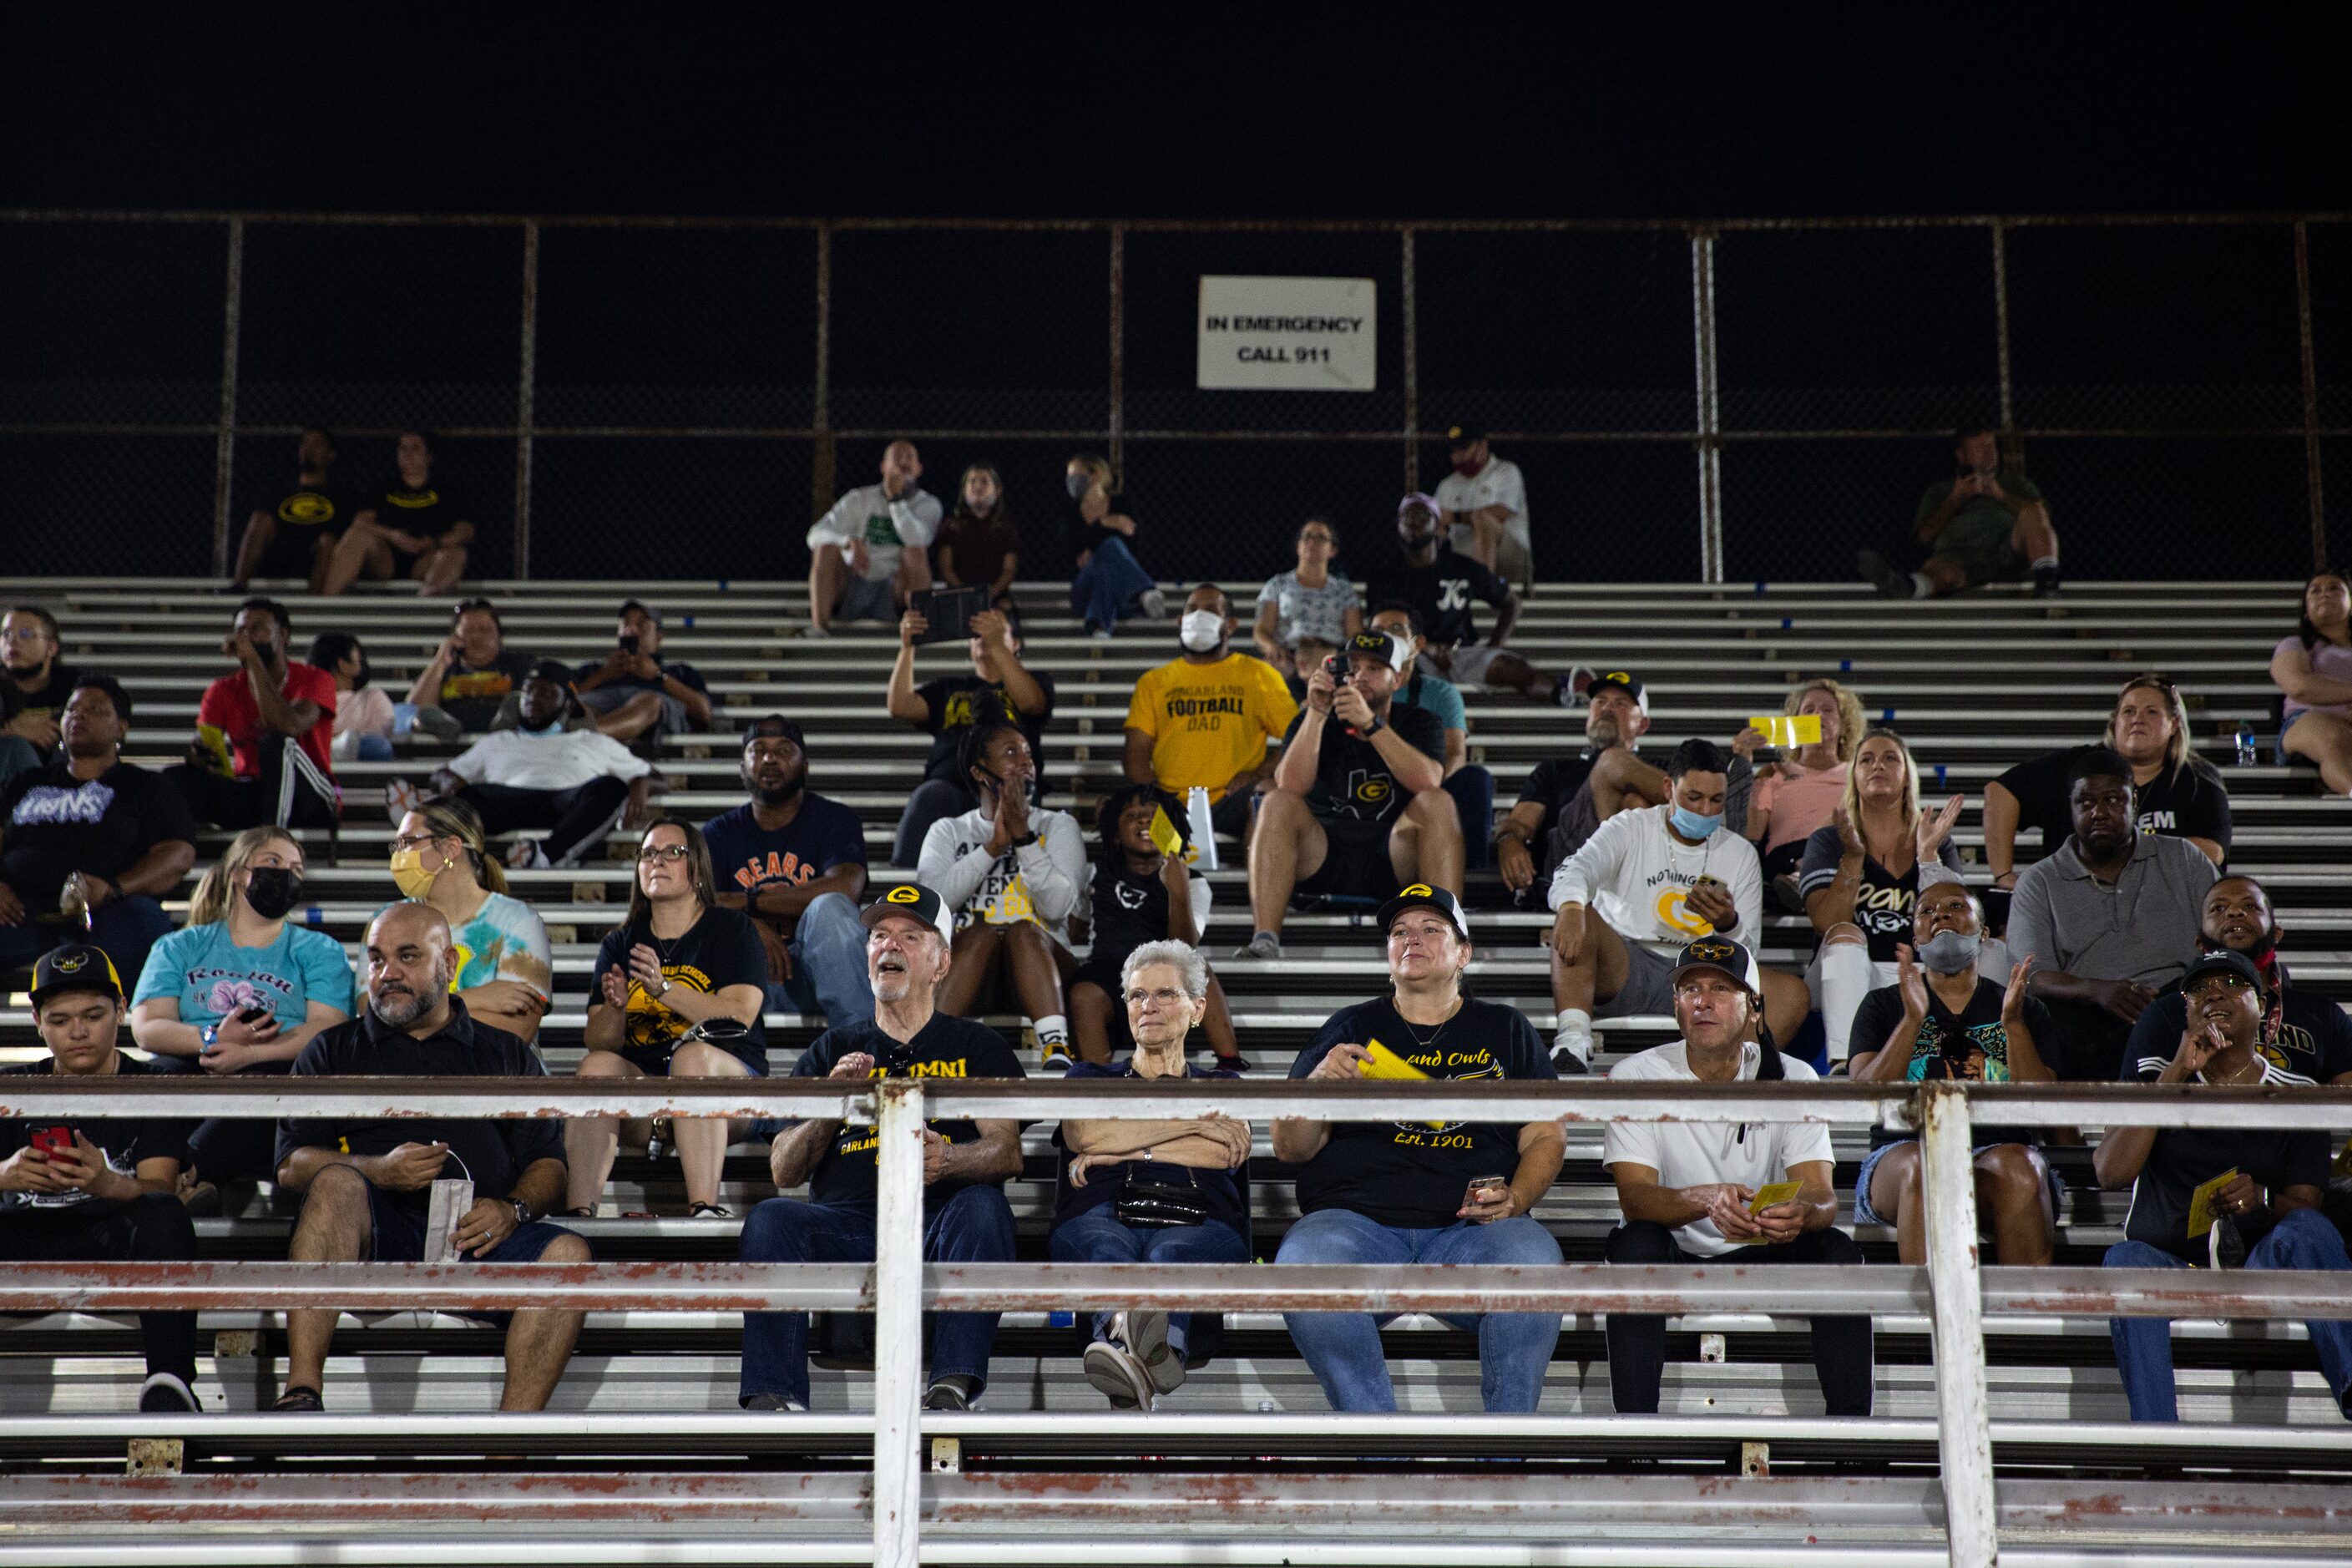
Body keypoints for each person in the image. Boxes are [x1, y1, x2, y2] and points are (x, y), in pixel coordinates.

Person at [273, 902, 589, 1413]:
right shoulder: (331, 1051)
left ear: (450, 966)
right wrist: (377, 1171)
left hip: (478, 1237)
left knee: (570, 1255)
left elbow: (550, 1167)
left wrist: (512, 1210)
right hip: (377, 1233)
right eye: (376, 960)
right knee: (334, 1184)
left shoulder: (507, 1053)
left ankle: (506, 1449)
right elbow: (291, 1165)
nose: (387, 974)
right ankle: (303, 1392)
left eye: (408, 957)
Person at [1273, 885, 1564, 1413]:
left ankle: (1504, 1459)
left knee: (1536, 1266)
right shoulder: (1351, 1026)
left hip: (1472, 1230)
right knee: (1303, 1266)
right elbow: (1289, 1148)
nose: (1413, 940)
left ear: (1464, 953)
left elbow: (1546, 1135)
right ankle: (1379, 1448)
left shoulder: (1505, 1028)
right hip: (1353, 1226)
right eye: (1400, 931)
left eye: (1433, 930)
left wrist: (1517, 1199)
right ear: (1388, 954)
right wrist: (1317, 1086)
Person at [738, 883, 1024, 1414]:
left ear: (941, 963)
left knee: (986, 1207)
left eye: (910, 936)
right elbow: (783, 1169)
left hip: (939, 1220)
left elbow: (1006, 1152)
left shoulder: (977, 1046)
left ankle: (951, 1388)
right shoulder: (830, 1050)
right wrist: (832, 1106)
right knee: (771, 1219)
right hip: (847, 1221)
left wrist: (951, 1160)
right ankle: (775, 1399)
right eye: (878, 936)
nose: (888, 946)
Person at [1601, 937, 1873, 1416]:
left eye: (1721, 990)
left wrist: (1797, 1215)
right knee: (1633, 1245)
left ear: (1753, 1008)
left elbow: (1824, 1200)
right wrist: (1705, 1199)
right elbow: (1636, 1201)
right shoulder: (1636, 1075)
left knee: (1839, 1252)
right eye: (1690, 990)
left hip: (1763, 1246)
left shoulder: (1792, 1078)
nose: (1703, 1002)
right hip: (1677, 1246)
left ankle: (1854, 1444)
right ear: (1676, 1006)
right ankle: (1634, 1439)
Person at [2096, 948, 2352, 1423]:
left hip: (2259, 1260)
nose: (2214, 993)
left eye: (2233, 985)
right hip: (2172, 1262)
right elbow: (2110, 1172)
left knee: (2308, 1229)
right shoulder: (2154, 1084)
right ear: (2185, 1011)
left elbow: (2307, 1204)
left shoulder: (2297, 1096)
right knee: (2123, 1260)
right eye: (2199, 989)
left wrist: (2263, 1198)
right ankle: (2158, 1441)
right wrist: (2174, 1073)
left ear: (2265, 1011)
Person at [0, 946, 202, 1412]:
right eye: (59, 1019)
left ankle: (171, 1386)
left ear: (122, 1009)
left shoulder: (154, 1086)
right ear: (37, 1021)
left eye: (93, 1015)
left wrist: (106, 1183)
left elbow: (159, 1191)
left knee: (163, 1214)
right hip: (23, 1240)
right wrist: (7, 1175)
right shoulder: (12, 1087)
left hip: (109, 1240)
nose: (77, 1032)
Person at [1053, 938, 1251, 1409]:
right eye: (1138, 995)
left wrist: (1121, 1144)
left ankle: (1121, 1349)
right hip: (1100, 1212)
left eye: (1166, 994)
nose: (1149, 1006)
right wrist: (1193, 1125)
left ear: (1198, 1009)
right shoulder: (1087, 1078)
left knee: (1172, 1251)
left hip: (1203, 1220)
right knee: (1108, 1248)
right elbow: (1083, 1135)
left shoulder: (1226, 1086)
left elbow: (1226, 1153)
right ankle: (1155, 1353)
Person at [1549, 739, 1806, 1073]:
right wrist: (1570, 908)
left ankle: (1738, 1070)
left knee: (1793, 994)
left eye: (1717, 801)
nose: (1704, 810)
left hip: (1703, 969)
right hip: (1629, 962)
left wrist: (1729, 923)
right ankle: (1573, 1041)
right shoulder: (1632, 826)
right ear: (1669, 788)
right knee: (1578, 911)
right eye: (1694, 798)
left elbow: (1749, 955)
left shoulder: (1740, 853)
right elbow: (1576, 868)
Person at [130, 827, 354, 1191]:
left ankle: (185, 1179)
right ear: (237, 873)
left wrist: (250, 1054)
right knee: (154, 1080)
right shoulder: (180, 945)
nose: (286, 875)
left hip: (276, 1065)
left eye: (296, 869)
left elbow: (326, 1029)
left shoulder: (320, 950)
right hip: (194, 1060)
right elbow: (148, 1027)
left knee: (270, 1088)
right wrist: (213, 1038)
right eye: (273, 862)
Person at [1848, 883, 2058, 1264]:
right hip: (1901, 1153)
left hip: (1997, 1149)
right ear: (1915, 936)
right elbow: (1865, 1095)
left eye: (1956, 906)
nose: (1940, 915)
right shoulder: (1882, 1005)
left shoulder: (2023, 1008)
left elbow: (2042, 1103)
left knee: (2020, 1167)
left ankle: (2024, 1321)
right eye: (1927, 911)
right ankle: (1929, 1321)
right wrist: (1912, 1022)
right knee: (1923, 1164)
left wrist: (2012, 1025)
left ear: (1983, 932)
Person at [569, 818, 768, 1218]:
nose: (657, 861)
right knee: (597, 1066)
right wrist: (616, 1007)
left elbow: (740, 1015)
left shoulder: (731, 930)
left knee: (693, 1057)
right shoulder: (620, 942)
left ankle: (705, 1207)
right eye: (647, 854)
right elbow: (600, 1042)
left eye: (672, 852)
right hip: (652, 1102)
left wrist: (664, 990)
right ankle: (577, 1214)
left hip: (727, 1095)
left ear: (697, 869)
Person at [1239, 630, 1457, 959]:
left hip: (1393, 854)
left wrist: (1371, 725)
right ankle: (1266, 938)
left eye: (1374, 669)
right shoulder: (1312, 718)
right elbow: (1290, 785)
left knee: (1439, 803)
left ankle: (1446, 938)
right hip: (1323, 851)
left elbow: (1429, 781)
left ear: (1396, 680)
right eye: (1353, 668)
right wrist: (1316, 712)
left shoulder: (1420, 721)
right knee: (1277, 802)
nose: (1361, 677)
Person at [2009, 748, 2217, 1081]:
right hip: (2087, 1019)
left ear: (2134, 801)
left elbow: (2220, 942)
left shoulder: (2183, 858)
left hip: (2174, 1006)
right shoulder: (2040, 880)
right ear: (2071, 806)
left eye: (2112, 800)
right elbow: (2034, 976)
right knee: (2042, 1016)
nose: (2099, 812)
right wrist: (2101, 991)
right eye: (2086, 803)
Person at [0, 675, 195, 993]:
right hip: (21, 912)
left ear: (121, 727)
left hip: (110, 912)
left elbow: (177, 854)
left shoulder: (145, 786)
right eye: (72, 709)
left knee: (145, 923)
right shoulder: (26, 782)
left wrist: (113, 889)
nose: (79, 715)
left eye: (95, 710)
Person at [917, 721, 1085, 1070]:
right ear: (979, 771)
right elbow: (933, 905)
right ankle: (926, 1049)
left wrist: (1023, 838)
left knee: (1023, 930)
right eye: (1011, 753)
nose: (1025, 761)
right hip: (970, 971)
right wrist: (992, 848)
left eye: (1027, 752)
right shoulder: (948, 831)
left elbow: (1056, 907)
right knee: (981, 934)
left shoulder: (1058, 826)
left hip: (1046, 969)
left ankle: (1055, 1045)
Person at [1800, 729, 1966, 1065]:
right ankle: (1846, 1066)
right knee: (1845, 935)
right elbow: (1827, 923)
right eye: (1867, 759)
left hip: (1916, 972)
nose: (1878, 765)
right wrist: (1852, 858)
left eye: (1891, 758)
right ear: (1854, 777)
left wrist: (1929, 856)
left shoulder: (1936, 839)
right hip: (1842, 974)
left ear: (1907, 777)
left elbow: (1955, 928)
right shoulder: (1827, 840)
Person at [701, 716, 874, 1029]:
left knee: (830, 907)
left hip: (821, 972)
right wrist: (751, 924)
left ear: (805, 766)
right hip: (748, 979)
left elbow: (845, 888)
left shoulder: (835, 819)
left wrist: (748, 903)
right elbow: (702, 903)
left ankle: (864, 1045)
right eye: (758, 750)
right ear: (742, 768)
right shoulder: (718, 833)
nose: (769, 758)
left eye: (783, 750)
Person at [1984, 675, 2232, 886]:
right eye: (2129, 711)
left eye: (2152, 711)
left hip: (2164, 905)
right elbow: (2000, 792)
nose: (2138, 719)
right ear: (2115, 722)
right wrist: (2004, 875)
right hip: (2073, 903)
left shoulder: (2198, 778)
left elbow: (2212, 852)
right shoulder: (2078, 766)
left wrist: (2123, 859)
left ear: (2174, 724)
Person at [1067, 784, 1243, 1069]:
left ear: (1172, 828)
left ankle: (1230, 1060)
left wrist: (1177, 890)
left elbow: (1184, 945)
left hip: (1162, 971)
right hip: (1107, 969)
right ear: (1115, 832)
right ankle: (1096, 1081)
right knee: (1083, 994)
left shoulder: (1193, 881)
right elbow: (1074, 927)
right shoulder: (1095, 873)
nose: (1144, 820)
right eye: (1132, 815)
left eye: (1153, 815)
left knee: (1198, 966)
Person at [418, 661, 653, 869]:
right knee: (466, 796)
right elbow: (443, 774)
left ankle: (546, 855)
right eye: (529, 690)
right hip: (505, 804)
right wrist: (447, 780)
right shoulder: (498, 741)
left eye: (547, 693)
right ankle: (420, 818)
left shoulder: (592, 741)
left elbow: (645, 773)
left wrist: (639, 785)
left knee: (611, 787)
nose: (533, 698)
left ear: (568, 705)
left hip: (567, 805)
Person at [2123, 875, 2352, 1087]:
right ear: (2198, 940)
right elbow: (2129, 1116)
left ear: (2277, 934)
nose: (2234, 912)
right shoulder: (2164, 1013)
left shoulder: (2324, 1016)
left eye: (2250, 906)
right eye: (2218, 908)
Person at [1124, 584, 1297, 842]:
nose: (1198, 616)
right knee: (1135, 810)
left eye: (1210, 610)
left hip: (1233, 797)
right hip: (1172, 800)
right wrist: (1156, 794)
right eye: (1192, 610)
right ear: (1180, 621)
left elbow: (1296, 735)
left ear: (1231, 625)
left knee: (1269, 796)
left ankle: (1260, 881)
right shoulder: (1154, 682)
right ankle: (1171, 880)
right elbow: (1135, 752)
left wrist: (1260, 773)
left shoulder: (1258, 674)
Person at [888, 603, 1054, 867]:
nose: (984, 638)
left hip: (1009, 789)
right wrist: (908, 647)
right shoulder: (949, 688)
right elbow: (900, 706)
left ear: (1017, 643)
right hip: (948, 790)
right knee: (929, 794)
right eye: (977, 634)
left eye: (996, 631)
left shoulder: (1034, 681)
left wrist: (998, 645)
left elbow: (1032, 704)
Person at [387, 797, 553, 1044]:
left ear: (451, 848)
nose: (399, 855)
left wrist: (414, 1019)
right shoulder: (388, 923)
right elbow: (376, 1017)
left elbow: (517, 1030)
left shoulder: (518, 921)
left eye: (408, 842)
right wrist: (475, 999)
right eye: (397, 845)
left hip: (497, 1078)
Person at [164, 597, 338, 831]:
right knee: (176, 778)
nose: (246, 637)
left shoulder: (315, 679)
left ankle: (270, 840)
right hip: (254, 792)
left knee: (276, 742)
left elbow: (288, 726)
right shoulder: (223, 689)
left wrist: (253, 660)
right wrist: (200, 754)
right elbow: (204, 739)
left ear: (284, 635)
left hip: (310, 797)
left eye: (258, 629)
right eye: (241, 631)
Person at [1494, 672, 1661, 906]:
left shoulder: (1660, 768)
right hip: (1570, 866)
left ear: (1643, 724)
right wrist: (1509, 840)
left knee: (1636, 803)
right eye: (1600, 702)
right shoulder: (1554, 770)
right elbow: (1520, 823)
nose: (1607, 708)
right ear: (1589, 714)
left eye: (1620, 704)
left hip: (1640, 874)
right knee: (1620, 774)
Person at [1861, 425, 2061, 599]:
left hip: (2007, 553)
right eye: (1980, 448)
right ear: (1962, 455)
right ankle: (1907, 588)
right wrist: (1956, 499)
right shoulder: (1941, 490)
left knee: (2032, 510)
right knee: (1940, 570)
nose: (1989, 452)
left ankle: (2047, 583)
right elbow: (1923, 537)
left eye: (1991, 445)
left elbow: (2041, 517)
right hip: (1958, 558)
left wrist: (2001, 496)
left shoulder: (2015, 483)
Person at [1368, 602, 1495, 871]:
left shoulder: (1440, 693)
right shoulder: (1360, 686)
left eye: (1396, 629)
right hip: (1371, 786)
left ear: (1417, 644)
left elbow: (1455, 753)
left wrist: (1430, 795)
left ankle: (1472, 876)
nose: (1386, 637)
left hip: (1428, 785)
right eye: (1378, 630)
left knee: (1476, 779)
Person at [803, 440, 939, 637]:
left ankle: (920, 631)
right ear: (883, 467)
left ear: (919, 469)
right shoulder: (859, 498)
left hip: (896, 588)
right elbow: (815, 534)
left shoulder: (929, 504)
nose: (903, 463)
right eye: (896, 458)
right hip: (854, 579)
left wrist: (895, 500)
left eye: (909, 457)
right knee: (825, 548)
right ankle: (819, 628)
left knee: (915, 552)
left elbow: (917, 539)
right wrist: (847, 541)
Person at [1738, 678, 1867, 880]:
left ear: (1844, 726)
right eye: (1809, 710)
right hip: (1786, 858)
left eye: (1828, 710)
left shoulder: (1859, 774)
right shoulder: (1774, 773)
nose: (1818, 715)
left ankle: (1806, 881)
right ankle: (1803, 879)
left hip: (1844, 855)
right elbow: (1752, 834)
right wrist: (1743, 762)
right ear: (1794, 723)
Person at [321, 429, 473, 596]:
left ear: (429, 456)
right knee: (356, 537)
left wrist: (432, 543)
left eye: (415, 448)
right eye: (403, 448)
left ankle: (424, 606)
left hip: (426, 557)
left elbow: (465, 531)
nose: (408, 454)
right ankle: (329, 603)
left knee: (456, 554)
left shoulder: (446, 491)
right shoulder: (384, 488)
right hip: (387, 557)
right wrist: (393, 535)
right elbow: (360, 522)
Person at [571, 599, 712, 746]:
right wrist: (602, 676)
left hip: (650, 711)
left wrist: (658, 676)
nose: (632, 630)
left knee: (650, 701)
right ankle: (590, 733)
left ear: (658, 637)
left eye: (641, 624)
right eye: (626, 624)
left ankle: (581, 735)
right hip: (599, 705)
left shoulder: (680, 671)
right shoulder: (592, 670)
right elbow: (565, 700)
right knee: (579, 708)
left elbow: (703, 711)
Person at [230, 427, 351, 594]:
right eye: (305, 444)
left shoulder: (339, 495)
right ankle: (239, 586)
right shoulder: (280, 491)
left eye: (317, 445)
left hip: (315, 556)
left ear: (331, 454)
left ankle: (311, 607)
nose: (308, 449)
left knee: (327, 542)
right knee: (260, 520)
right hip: (282, 552)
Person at [1062, 453, 1166, 638]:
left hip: (1120, 594)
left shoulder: (1121, 504)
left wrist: (1092, 547)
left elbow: (1132, 548)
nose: (1070, 480)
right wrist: (1103, 524)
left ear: (1094, 475)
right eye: (1068, 476)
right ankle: (1144, 591)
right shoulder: (1070, 512)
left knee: (1110, 550)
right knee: (1106, 552)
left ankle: (1097, 626)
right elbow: (1068, 548)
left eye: (1075, 475)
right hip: (1083, 590)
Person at [404, 599, 534, 737]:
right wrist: (440, 660)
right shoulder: (443, 669)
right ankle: (447, 727)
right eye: (468, 631)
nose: (476, 637)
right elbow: (414, 708)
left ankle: (503, 729)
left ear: (499, 637)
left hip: (507, 744)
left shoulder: (520, 664)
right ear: (455, 637)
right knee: (420, 715)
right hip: (451, 740)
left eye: (485, 631)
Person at [2272, 570, 2352, 794]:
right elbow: (2299, 686)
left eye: (2334, 588)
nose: (2324, 594)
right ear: (2306, 610)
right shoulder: (2296, 645)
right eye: (2315, 591)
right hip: (2307, 722)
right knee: (2335, 738)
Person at [1252, 517, 1362, 677]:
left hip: (1331, 656)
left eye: (1321, 538)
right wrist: (1273, 648)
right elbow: (1262, 630)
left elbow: (1355, 635)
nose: (1312, 542)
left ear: (1333, 550)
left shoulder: (1344, 590)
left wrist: (1336, 656)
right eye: (1307, 536)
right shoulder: (1277, 585)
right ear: (1298, 546)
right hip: (1289, 656)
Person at [1433, 424, 1533, 584]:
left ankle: (1484, 590)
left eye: (1464, 448)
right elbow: (1440, 527)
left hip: (1509, 554)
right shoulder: (1447, 486)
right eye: (1454, 450)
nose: (1459, 455)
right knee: (1427, 529)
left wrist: (1454, 516)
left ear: (1483, 445)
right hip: (1465, 557)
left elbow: (1500, 513)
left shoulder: (1506, 471)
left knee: (1483, 519)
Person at [3, 604, 81, 782]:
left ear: (51, 647)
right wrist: (12, 730)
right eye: (6, 634)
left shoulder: (76, 686)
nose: (12, 641)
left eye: (25, 634)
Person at [934, 463, 1019, 608]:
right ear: (964, 490)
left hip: (995, 596)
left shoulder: (1005, 527)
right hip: (958, 596)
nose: (978, 486)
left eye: (984, 482)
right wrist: (967, 594)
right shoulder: (951, 526)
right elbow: (946, 568)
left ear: (998, 490)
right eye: (972, 481)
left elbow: (1009, 569)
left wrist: (991, 593)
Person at [309, 632, 396, 763]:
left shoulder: (372, 697)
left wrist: (347, 739)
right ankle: (334, 749)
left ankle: (333, 749)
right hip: (314, 762)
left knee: (380, 747)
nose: (362, 664)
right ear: (343, 664)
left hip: (363, 757)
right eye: (358, 658)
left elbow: (383, 728)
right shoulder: (308, 701)